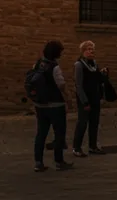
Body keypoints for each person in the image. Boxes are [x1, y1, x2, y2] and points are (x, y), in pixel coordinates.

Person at [32, 41, 72, 172]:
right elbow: (61, 84)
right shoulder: (54, 67)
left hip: (40, 104)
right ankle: (59, 161)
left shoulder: (37, 64)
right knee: (59, 133)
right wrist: (68, 98)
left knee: (41, 134)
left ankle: (38, 162)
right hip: (55, 105)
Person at [72, 40, 109, 157]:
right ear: (83, 51)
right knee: (82, 123)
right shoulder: (79, 65)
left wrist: (102, 74)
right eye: (88, 49)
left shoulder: (94, 64)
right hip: (85, 99)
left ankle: (93, 146)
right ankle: (76, 147)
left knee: (94, 122)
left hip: (95, 97)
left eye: (92, 49)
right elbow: (79, 85)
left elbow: (97, 80)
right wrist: (84, 101)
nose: (91, 51)